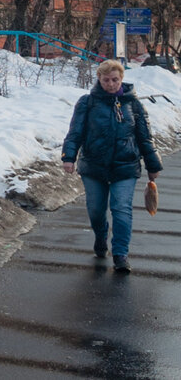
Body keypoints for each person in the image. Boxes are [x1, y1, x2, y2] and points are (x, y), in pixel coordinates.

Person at [61, 59, 163, 273]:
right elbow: (75, 133)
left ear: (121, 79)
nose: (110, 84)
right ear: (99, 79)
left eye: (115, 80)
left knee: (121, 209)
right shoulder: (87, 103)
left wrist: (153, 164)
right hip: (94, 166)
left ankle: (120, 254)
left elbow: (145, 137)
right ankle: (100, 236)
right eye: (106, 80)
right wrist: (68, 157)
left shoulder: (133, 104)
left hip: (125, 167)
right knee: (96, 210)